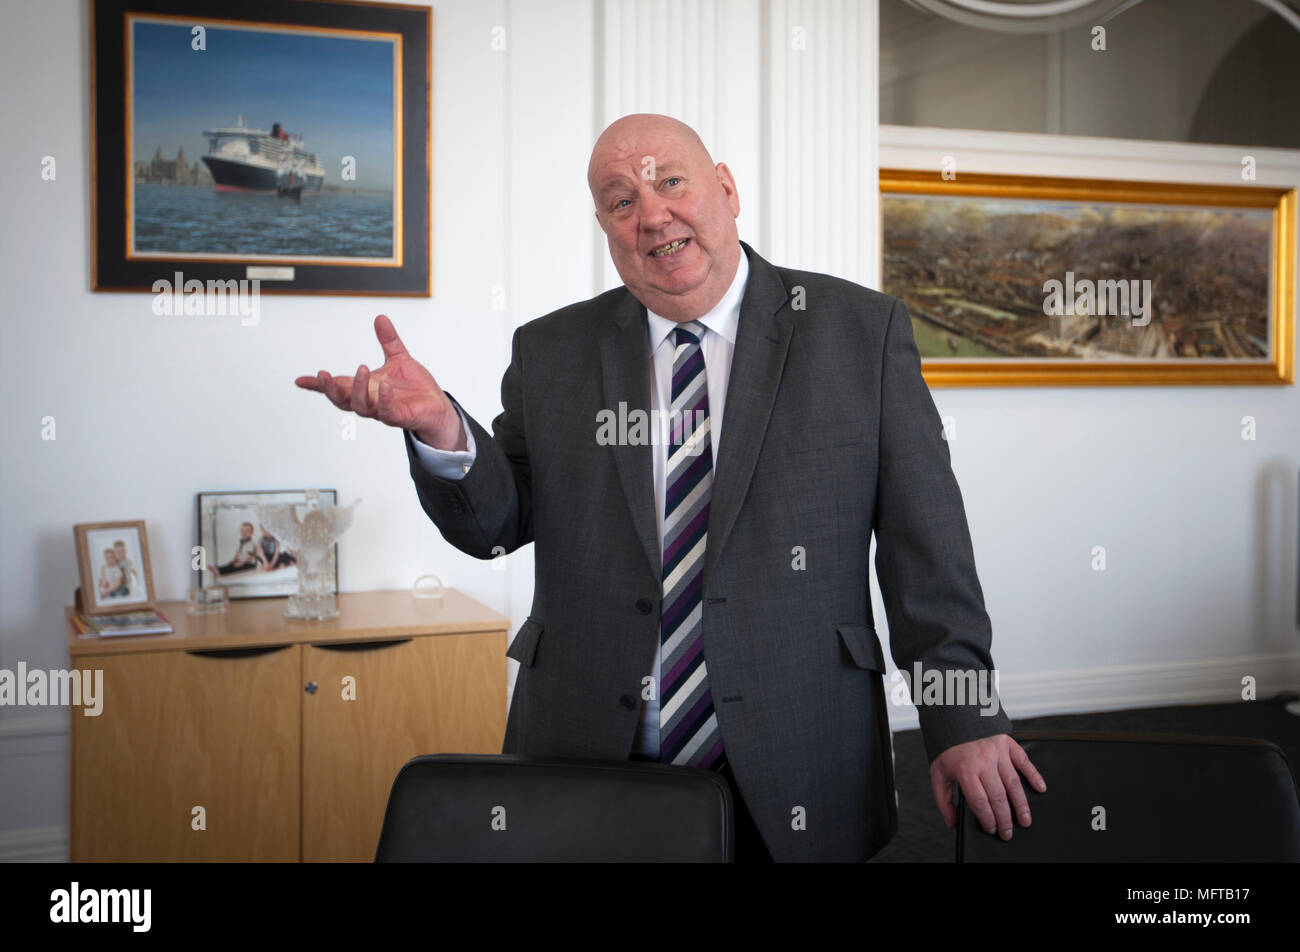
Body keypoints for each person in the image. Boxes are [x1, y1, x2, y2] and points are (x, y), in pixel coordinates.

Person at [296, 114, 1045, 862]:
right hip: (585, 752)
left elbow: (928, 549)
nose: (651, 214)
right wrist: (441, 431)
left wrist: (965, 716)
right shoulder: (552, 351)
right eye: (621, 201)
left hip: (801, 746)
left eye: (670, 182)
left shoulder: (859, 332)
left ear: (726, 189)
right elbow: (497, 522)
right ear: (604, 226)